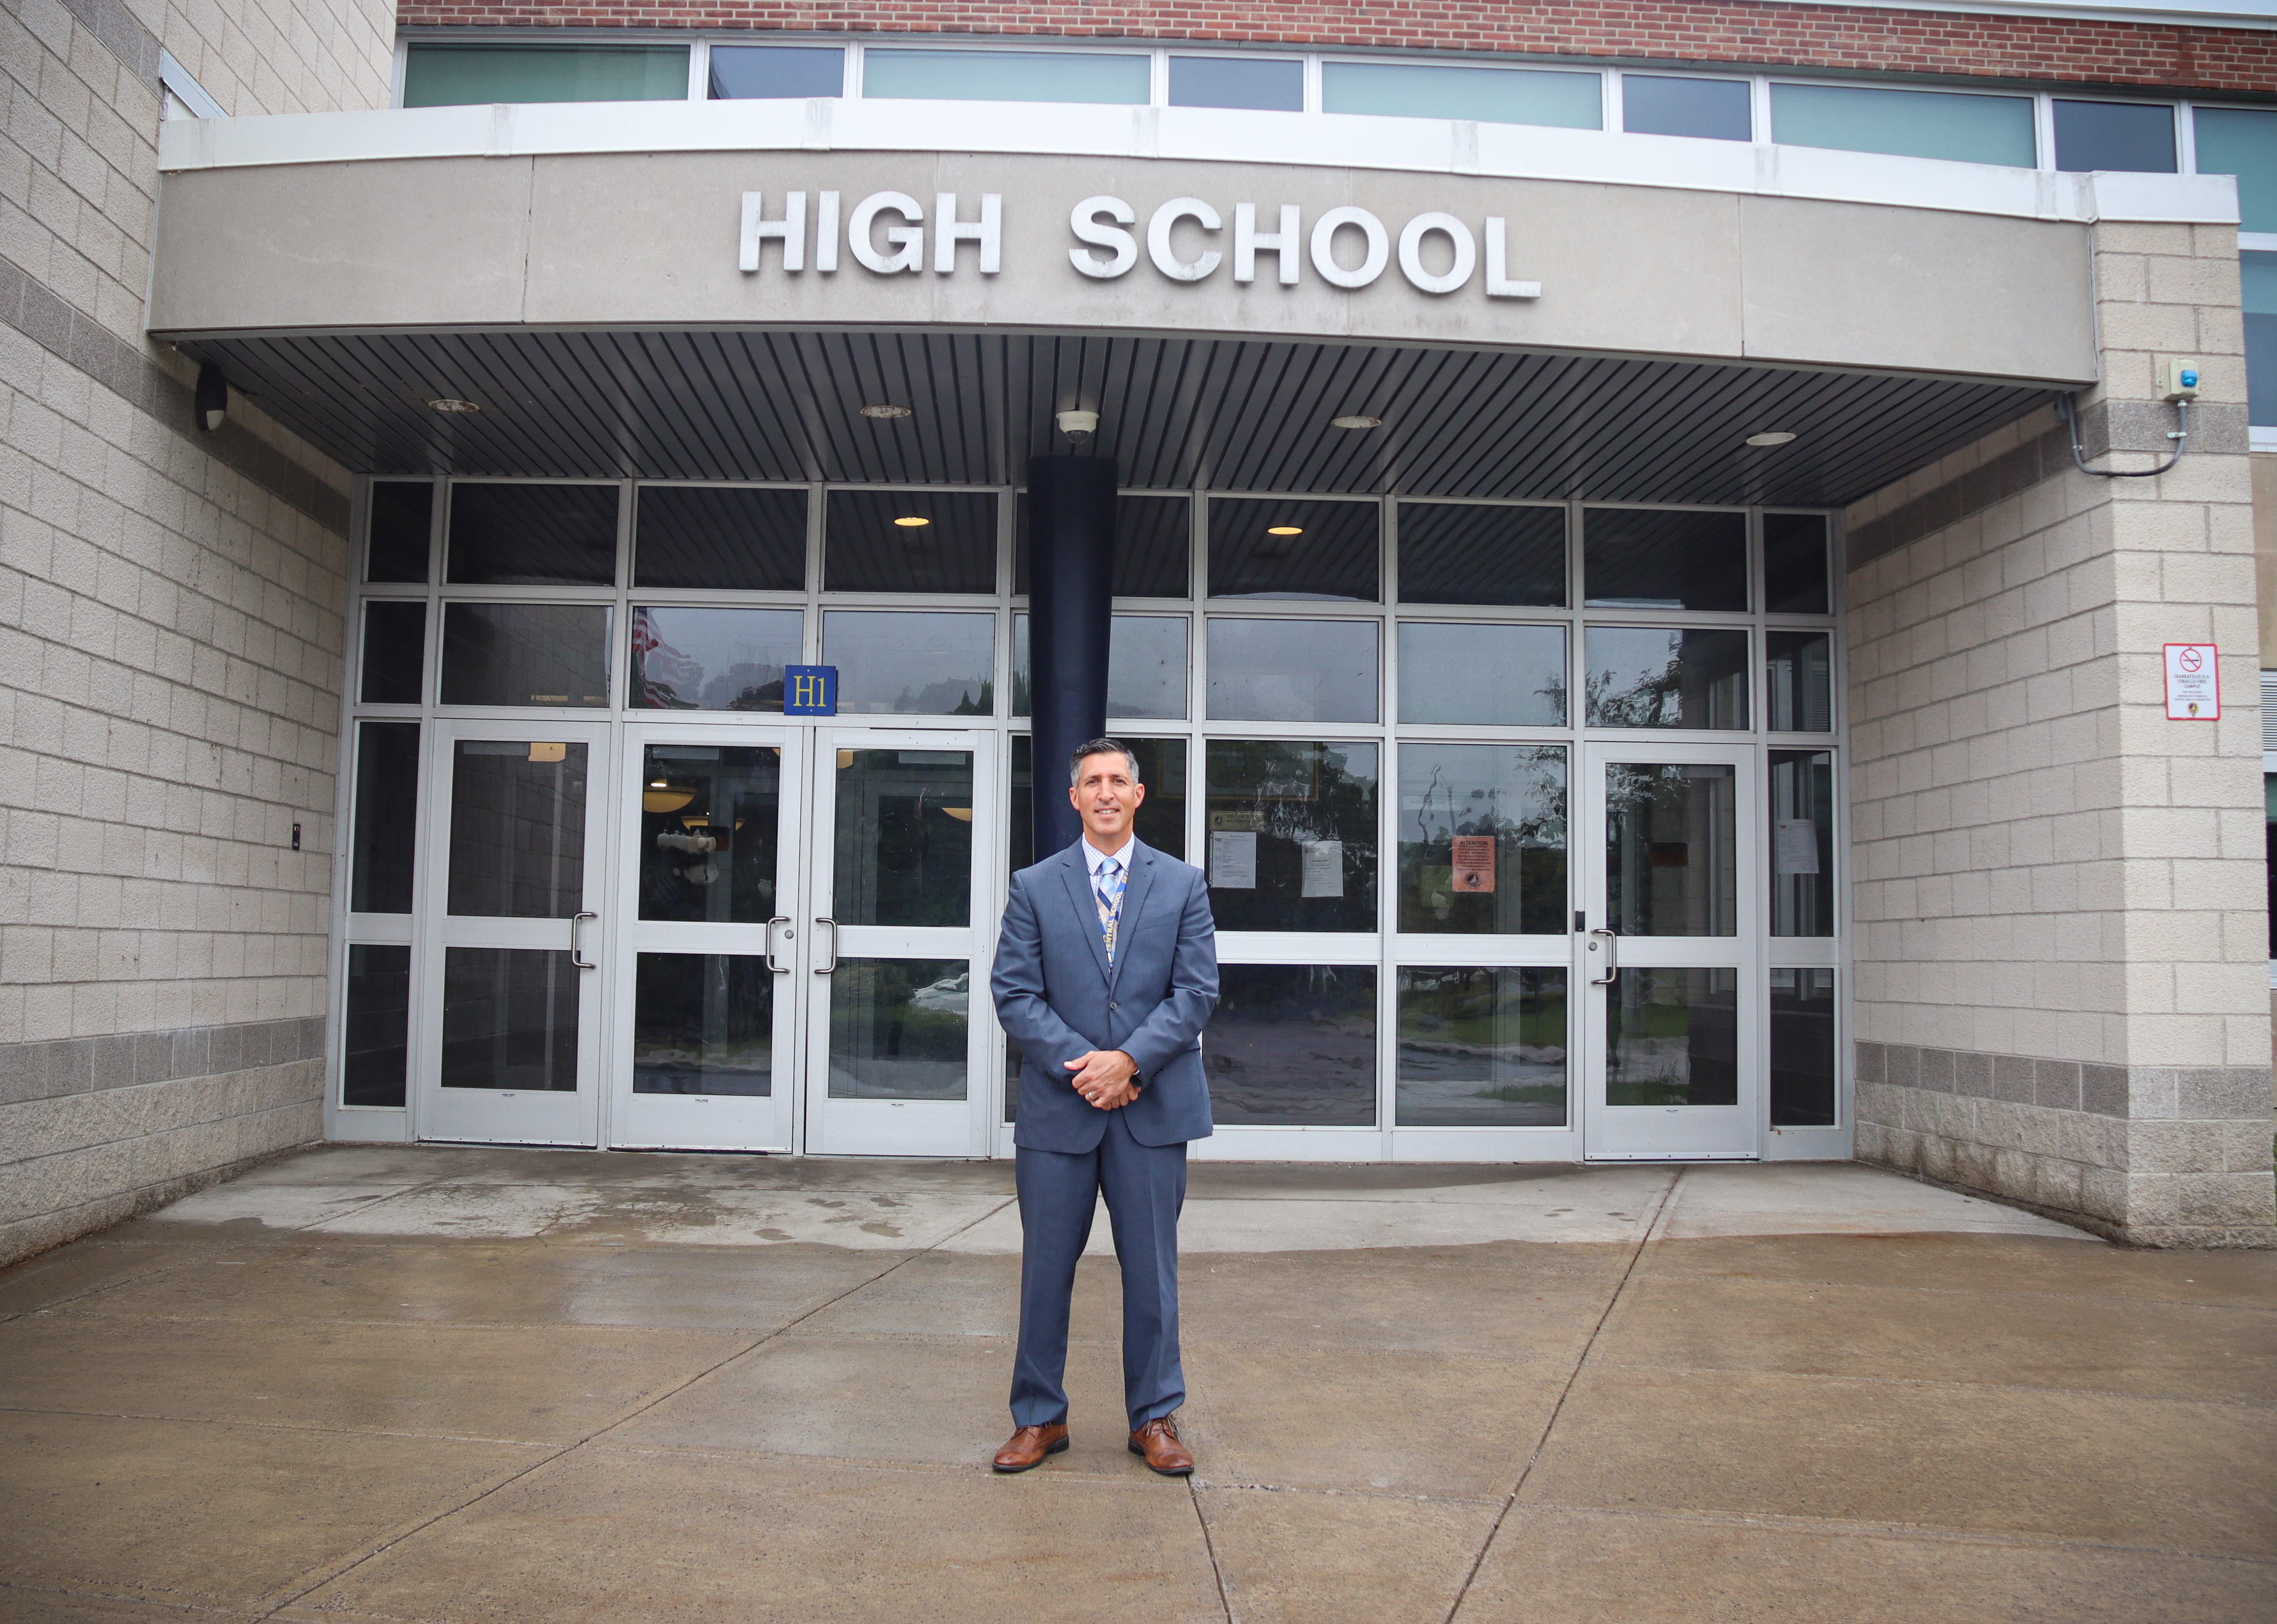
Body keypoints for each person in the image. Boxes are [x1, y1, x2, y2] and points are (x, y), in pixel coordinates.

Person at [989, 737, 1218, 1476]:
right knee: (1044, 1271)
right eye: (1093, 781)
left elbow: (1196, 992)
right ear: (1074, 797)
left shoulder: (1182, 884)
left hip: (1152, 1112)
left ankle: (1154, 1418)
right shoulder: (1034, 884)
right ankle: (1039, 1417)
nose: (1107, 792)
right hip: (1062, 1112)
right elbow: (1014, 993)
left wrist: (1129, 1062)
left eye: (1119, 779)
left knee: (1152, 1272)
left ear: (1139, 795)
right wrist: (1087, 1069)